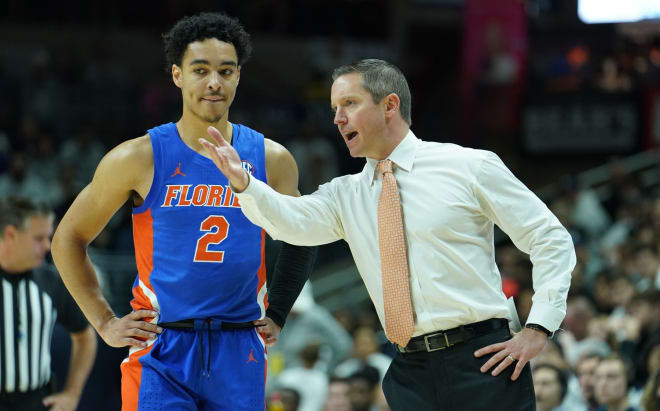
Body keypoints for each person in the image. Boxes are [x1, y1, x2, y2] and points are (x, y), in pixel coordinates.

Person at [201, 58, 576, 410]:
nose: (337, 118)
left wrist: (539, 326)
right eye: (334, 108)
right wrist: (245, 183)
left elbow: (549, 237)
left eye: (348, 103)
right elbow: (290, 222)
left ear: (389, 105)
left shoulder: (468, 165)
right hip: (408, 370)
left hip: (484, 359)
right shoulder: (344, 193)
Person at [51, 12, 316, 411]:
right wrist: (104, 322)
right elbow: (68, 239)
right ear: (177, 75)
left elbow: (303, 237)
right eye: (200, 70)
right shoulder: (137, 158)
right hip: (161, 348)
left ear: (239, 76)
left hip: (239, 346)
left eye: (226, 71)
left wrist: (277, 310)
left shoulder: (272, 159)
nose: (214, 82)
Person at [0, 196, 97, 411]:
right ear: (11, 234)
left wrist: (73, 394)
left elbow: (85, 337)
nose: (47, 246)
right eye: (39, 238)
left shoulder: (51, 281)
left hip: (36, 401)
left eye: (49, 237)